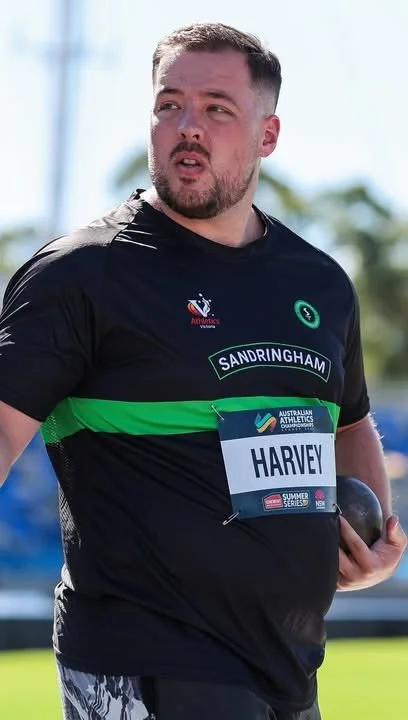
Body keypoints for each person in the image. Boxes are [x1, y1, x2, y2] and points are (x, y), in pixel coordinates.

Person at [0, 21, 406, 720]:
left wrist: (370, 538)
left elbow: (349, 421)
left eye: (217, 108)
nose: (187, 126)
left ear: (267, 135)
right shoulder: (84, 274)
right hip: (142, 660)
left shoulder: (319, 282)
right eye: (169, 105)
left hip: (289, 667)